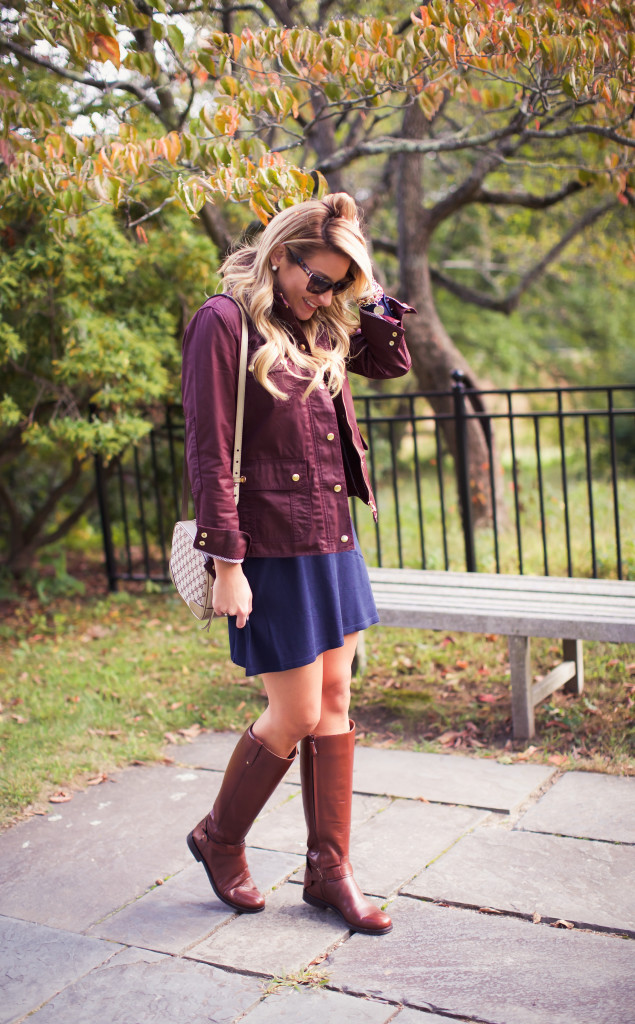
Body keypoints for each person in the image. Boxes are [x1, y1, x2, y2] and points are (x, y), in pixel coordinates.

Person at [182, 192, 414, 936]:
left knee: (337, 702)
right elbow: (210, 450)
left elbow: (390, 361)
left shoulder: (317, 322)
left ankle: (328, 870)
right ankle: (218, 837)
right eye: (318, 278)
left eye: (338, 283)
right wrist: (226, 561)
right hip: (267, 545)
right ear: (278, 255)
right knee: (297, 712)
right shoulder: (224, 322)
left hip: (330, 535)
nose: (327, 294)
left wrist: (365, 290)